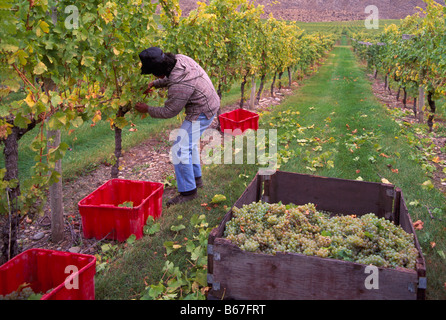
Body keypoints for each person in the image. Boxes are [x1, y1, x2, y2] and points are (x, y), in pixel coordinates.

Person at [135, 47, 220, 207]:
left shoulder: (180, 84)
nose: (154, 76)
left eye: (153, 74)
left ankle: (188, 192)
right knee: (187, 143)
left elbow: (169, 111)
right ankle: (196, 180)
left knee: (180, 148)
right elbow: (172, 77)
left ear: (159, 71)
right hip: (209, 103)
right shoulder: (180, 59)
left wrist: (147, 109)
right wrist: (155, 84)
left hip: (202, 110)